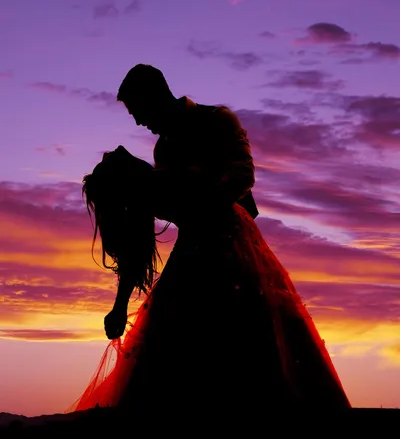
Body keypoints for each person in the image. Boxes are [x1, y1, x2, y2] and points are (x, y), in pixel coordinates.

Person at [67, 64, 351, 427]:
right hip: (194, 250)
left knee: (254, 349)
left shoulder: (217, 120)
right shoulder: (163, 150)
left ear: (155, 96)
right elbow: (150, 225)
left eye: (138, 111)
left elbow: (243, 174)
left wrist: (198, 202)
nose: (139, 123)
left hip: (234, 245)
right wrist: (120, 304)